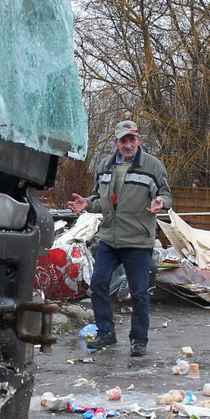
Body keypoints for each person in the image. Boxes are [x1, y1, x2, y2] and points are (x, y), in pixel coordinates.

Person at [68, 120, 172, 357]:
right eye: (123, 140)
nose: (128, 145)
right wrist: (87, 203)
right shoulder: (105, 166)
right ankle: (106, 333)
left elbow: (166, 195)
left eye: (132, 139)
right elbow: (99, 198)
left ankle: (139, 340)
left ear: (139, 140)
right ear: (115, 142)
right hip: (109, 239)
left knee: (139, 293)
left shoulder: (152, 167)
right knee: (98, 285)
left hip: (137, 241)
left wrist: (161, 202)